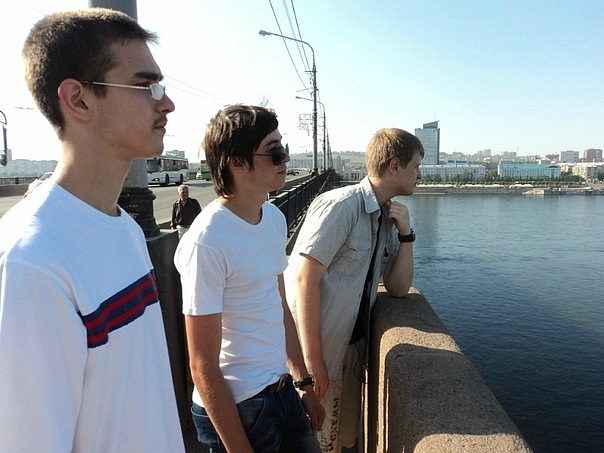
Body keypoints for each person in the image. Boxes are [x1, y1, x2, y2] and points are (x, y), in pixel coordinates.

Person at [0, 9, 184, 452]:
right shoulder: (32, 264)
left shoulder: (124, 228)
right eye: (145, 86)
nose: (166, 104)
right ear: (78, 100)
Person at [174, 105, 325, 452]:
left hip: (282, 391)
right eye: (274, 152)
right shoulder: (207, 241)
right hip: (240, 406)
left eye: (283, 148)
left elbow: (279, 307)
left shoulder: (272, 219)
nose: (285, 158)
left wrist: (303, 383)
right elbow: (202, 365)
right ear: (237, 163)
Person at [284, 128, 424, 452]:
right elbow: (304, 279)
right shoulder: (341, 206)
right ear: (394, 166)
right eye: (416, 166)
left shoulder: (386, 217)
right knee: (316, 441)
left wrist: (406, 235)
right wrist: (312, 362)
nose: (419, 175)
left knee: (340, 441)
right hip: (322, 351)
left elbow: (398, 288)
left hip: (353, 350)